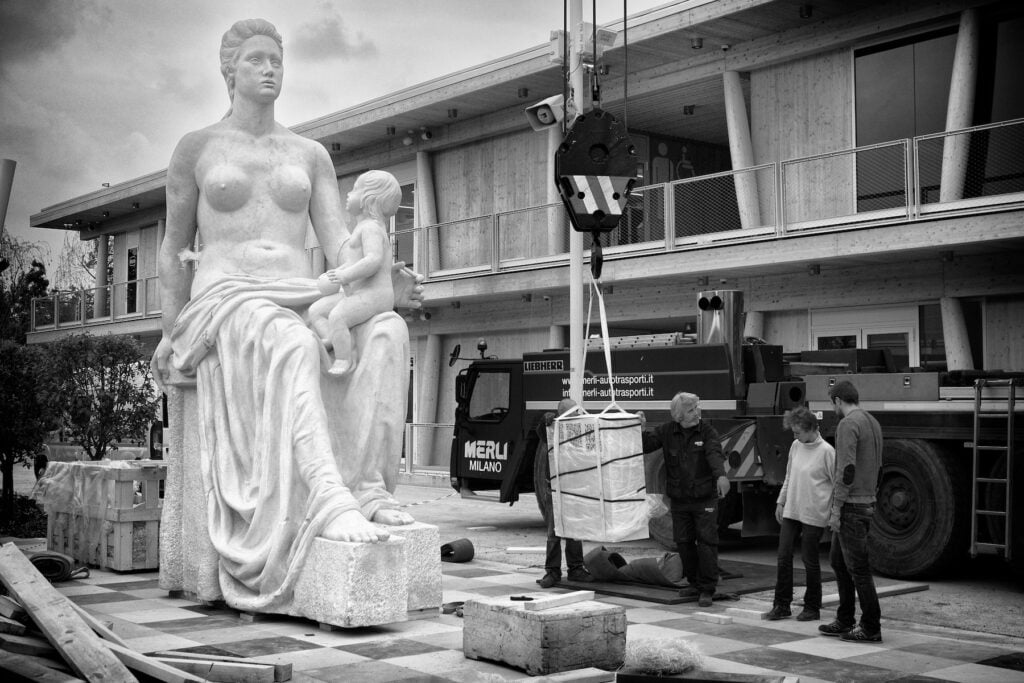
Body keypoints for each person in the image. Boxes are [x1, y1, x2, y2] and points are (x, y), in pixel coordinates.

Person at [149, 19, 421, 612]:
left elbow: (341, 240)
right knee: (290, 342)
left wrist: (383, 270)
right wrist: (171, 334)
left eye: (276, 59)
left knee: (386, 330)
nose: (269, 69)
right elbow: (172, 249)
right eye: (255, 60)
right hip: (226, 297)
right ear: (230, 71)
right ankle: (327, 496)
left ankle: (366, 487)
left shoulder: (309, 153)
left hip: (302, 287)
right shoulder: (198, 148)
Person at [307, 170, 401, 376]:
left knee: (337, 316)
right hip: (357, 293)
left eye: (355, 190)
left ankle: (344, 359)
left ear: (369, 199)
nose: (349, 194)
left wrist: (345, 276)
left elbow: (373, 260)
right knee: (315, 311)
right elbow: (353, 261)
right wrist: (336, 273)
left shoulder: (372, 228)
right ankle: (334, 340)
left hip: (374, 296)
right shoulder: (361, 228)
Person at [641, 392, 729, 607]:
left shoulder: (707, 432)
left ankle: (707, 589)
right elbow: (645, 446)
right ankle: (693, 583)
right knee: (684, 543)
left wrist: (721, 475)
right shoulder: (667, 431)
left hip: (704, 498)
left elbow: (714, 454)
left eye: (697, 407)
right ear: (678, 416)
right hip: (680, 499)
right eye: (691, 410)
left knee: (707, 543)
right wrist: (640, 429)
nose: (697, 413)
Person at [819, 380, 884, 642]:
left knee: (858, 568)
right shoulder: (872, 422)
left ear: (837, 400)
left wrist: (836, 508)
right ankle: (845, 620)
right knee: (838, 561)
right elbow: (879, 464)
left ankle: (870, 626)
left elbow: (846, 470)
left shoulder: (848, 424)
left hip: (851, 505)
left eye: (831, 402)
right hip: (866, 501)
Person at [764, 406, 835, 622]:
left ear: (811, 428)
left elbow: (837, 484)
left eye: (797, 432)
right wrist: (781, 501)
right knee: (783, 556)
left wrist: (834, 513)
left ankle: (812, 607)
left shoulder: (827, 452)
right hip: (792, 509)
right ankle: (781, 604)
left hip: (814, 512)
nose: (794, 436)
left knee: (809, 559)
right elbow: (789, 476)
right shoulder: (796, 446)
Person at [534, 398, 593, 588]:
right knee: (554, 532)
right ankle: (552, 572)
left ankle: (575, 568)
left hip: (575, 487)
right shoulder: (552, 428)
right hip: (556, 489)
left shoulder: (580, 428)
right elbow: (542, 431)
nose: (577, 416)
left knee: (574, 531)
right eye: (573, 413)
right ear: (562, 415)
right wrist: (546, 420)